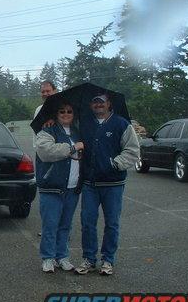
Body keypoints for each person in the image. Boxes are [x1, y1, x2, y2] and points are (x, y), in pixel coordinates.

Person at [75, 92, 139, 276]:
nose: (98, 105)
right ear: (90, 105)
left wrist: (114, 164)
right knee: (87, 223)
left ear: (109, 104)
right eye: (94, 102)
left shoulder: (121, 124)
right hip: (90, 183)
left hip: (113, 184)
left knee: (112, 223)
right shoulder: (84, 123)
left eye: (101, 102)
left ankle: (108, 260)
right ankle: (88, 259)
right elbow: (66, 128)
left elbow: (132, 151)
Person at [35, 101, 84, 273]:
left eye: (69, 111)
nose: (65, 114)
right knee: (50, 224)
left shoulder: (79, 132)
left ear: (74, 113)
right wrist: (72, 148)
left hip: (72, 187)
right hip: (52, 187)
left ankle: (62, 256)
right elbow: (46, 152)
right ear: (56, 114)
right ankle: (48, 258)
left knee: (65, 225)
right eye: (61, 111)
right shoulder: (47, 130)